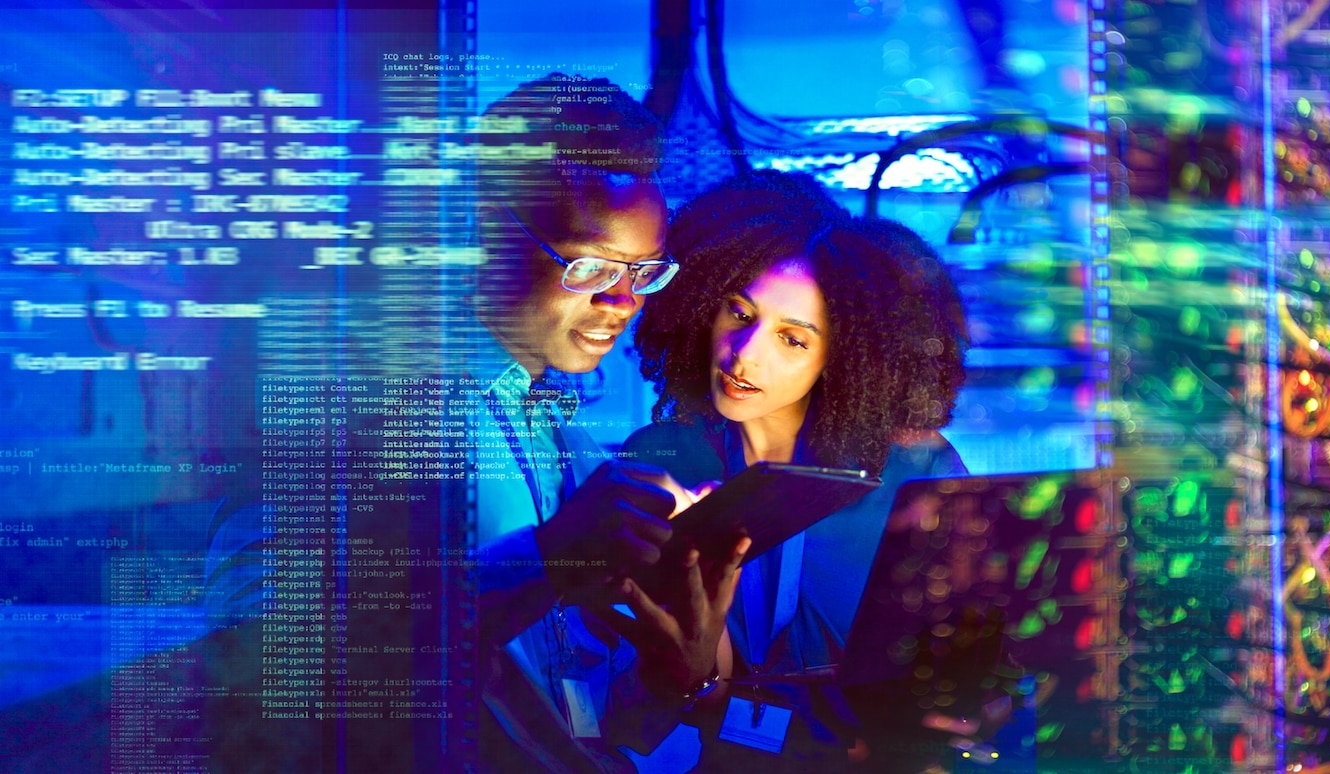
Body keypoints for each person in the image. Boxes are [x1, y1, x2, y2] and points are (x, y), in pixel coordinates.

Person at [202, 74, 745, 773]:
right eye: (589, 266)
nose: (622, 302)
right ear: (480, 233)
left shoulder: (567, 445)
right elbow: (253, 656)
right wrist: (545, 559)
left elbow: (570, 715)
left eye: (643, 273)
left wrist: (674, 675)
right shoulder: (359, 402)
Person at [617, 170, 985, 770]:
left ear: (844, 355)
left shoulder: (916, 472)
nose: (746, 354)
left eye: (793, 340)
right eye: (739, 312)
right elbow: (638, 696)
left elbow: (975, 674)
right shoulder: (661, 459)